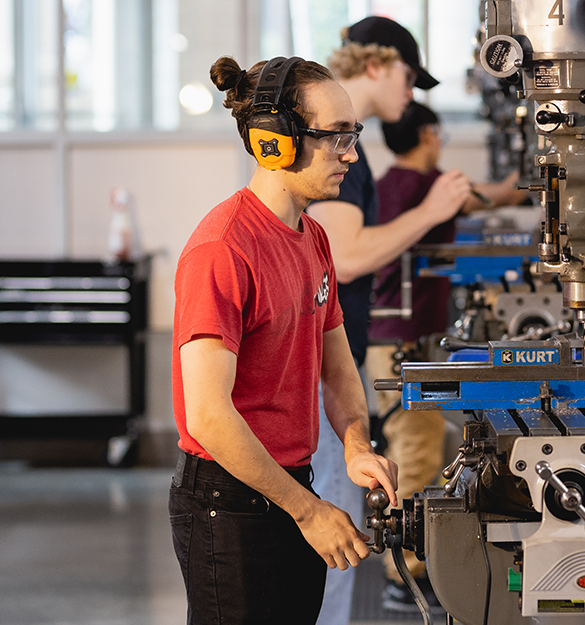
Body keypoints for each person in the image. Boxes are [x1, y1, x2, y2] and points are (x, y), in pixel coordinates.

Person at [169, 54, 397, 625]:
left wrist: (355, 446)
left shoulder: (312, 237)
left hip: (291, 487)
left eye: (354, 135)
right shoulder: (222, 250)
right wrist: (309, 512)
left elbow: (338, 365)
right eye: (334, 137)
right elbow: (208, 417)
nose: (351, 153)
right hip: (230, 503)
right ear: (275, 143)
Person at [303, 16, 471, 624]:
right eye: (407, 75)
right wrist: (431, 210)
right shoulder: (336, 148)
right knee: (337, 526)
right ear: (375, 66)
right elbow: (345, 256)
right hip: (314, 370)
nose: (411, 92)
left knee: (339, 519)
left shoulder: (353, 148)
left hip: (328, 359)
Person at [366, 101, 524, 611]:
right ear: (429, 134)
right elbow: (491, 196)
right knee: (413, 452)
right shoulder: (425, 185)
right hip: (401, 340)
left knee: (419, 446)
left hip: (396, 336)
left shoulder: (392, 183)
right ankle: (402, 575)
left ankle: (409, 565)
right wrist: (540, 177)